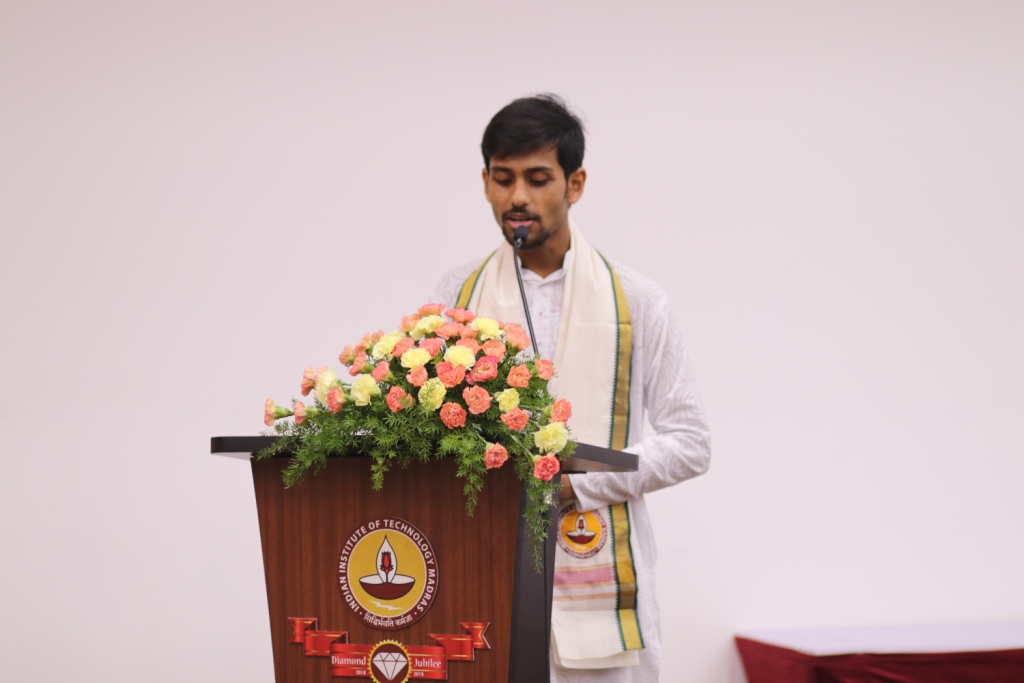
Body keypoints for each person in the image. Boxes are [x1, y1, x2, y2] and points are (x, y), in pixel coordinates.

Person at [432, 94, 711, 683]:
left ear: (574, 184)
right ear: (484, 182)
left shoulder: (636, 300)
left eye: (538, 179)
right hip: (483, 565)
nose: (518, 197)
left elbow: (690, 442)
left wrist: (577, 486)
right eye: (503, 178)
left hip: (597, 561)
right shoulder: (456, 296)